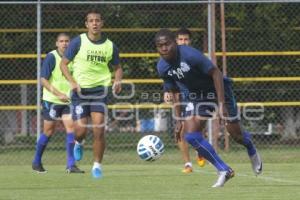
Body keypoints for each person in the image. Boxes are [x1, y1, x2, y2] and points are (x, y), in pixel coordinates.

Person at [155, 29, 262, 187]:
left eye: (167, 44)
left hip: (218, 90)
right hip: (196, 96)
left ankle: (251, 148)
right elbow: (175, 92)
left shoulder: (190, 55)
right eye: (160, 45)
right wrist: (178, 119)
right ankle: (224, 170)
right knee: (190, 135)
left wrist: (221, 104)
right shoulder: (162, 67)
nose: (164, 48)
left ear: (175, 43)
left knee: (236, 135)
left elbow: (216, 73)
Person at [60, 9, 123, 179]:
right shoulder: (78, 42)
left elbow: (117, 68)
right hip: (80, 92)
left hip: (100, 91)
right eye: (91, 20)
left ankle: (97, 166)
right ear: (86, 24)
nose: (95, 23)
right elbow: (63, 65)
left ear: (102, 23)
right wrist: (72, 82)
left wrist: (118, 80)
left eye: (98, 20)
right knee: (80, 131)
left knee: (99, 129)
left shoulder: (110, 45)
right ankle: (79, 142)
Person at [32, 33, 84, 174]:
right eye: (61, 41)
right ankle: (36, 162)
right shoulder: (51, 57)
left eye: (67, 41)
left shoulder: (73, 58)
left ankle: (71, 165)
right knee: (48, 131)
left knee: (71, 128)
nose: (65, 44)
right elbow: (43, 80)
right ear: (57, 43)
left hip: (68, 101)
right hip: (52, 100)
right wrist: (58, 94)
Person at [165, 28, 206, 174]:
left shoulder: (195, 56)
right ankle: (187, 164)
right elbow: (168, 76)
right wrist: (167, 92)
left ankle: (201, 150)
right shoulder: (170, 57)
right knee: (181, 130)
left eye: (186, 39)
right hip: (180, 96)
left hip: (197, 96)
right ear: (175, 41)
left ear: (190, 41)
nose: (183, 42)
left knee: (196, 128)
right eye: (180, 39)